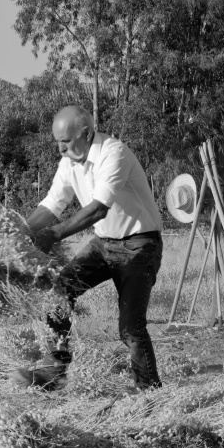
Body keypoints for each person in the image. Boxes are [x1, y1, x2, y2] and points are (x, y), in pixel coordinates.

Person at [14, 105, 164, 391]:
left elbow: (98, 209)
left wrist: (54, 235)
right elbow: (51, 205)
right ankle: (55, 372)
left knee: (130, 327)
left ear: (86, 133)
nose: (60, 149)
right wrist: (18, 233)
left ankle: (149, 391)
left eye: (66, 141)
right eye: (58, 142)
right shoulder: (69, 163)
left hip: (139, 245)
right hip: (103, 243)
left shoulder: (113, 153)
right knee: (56, 295)